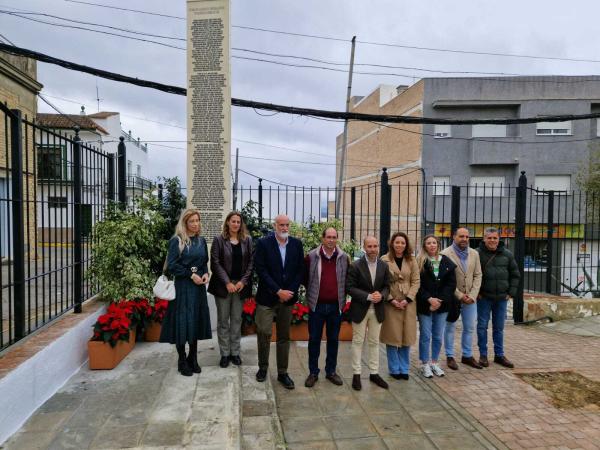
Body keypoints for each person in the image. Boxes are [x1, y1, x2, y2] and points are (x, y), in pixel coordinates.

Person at [253, 214, 304, 389]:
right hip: (267, 297)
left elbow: (299, 271)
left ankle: (283, 372)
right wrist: (277, 290)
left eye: (287, 225)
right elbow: (261, 269)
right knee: (264, 332)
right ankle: (263, 368)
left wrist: (289, 291)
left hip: (287, 299)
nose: (284, 228)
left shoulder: (296, 244)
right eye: (281, 225)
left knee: (284, 336)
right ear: (275, 225)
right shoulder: (263, 244)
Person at [159, 208, 211, 376]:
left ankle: (193, 358)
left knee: (195, 320)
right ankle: (182, 360)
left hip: (198, 288)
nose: (195, 224)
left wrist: (205, 274)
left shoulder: (201, 241)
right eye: (192, 221)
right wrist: (191, 275)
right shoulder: (177, 240)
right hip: (183, 287)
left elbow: (204, 262)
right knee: (182, 322)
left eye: (197, 220)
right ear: (185, 223)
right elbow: (172, 265)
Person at [303, 227, 350, 388]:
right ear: (323, 238)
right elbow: (305, 278)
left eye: (334, 237)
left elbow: (347, 280)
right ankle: (313, 372)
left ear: (337, 239)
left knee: (333, 340)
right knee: (314, 339)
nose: (331, 240)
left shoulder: (344, 258)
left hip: (335, 307)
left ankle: (331, 371)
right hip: (317, 306)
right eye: (328, 237)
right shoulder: (311, 256)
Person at [208, 211, 253, 368]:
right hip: (223, 286)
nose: (236, 224)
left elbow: (251, 264)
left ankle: (235, 353)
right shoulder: (219, 240)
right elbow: (215, 263)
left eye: (238, 222)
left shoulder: (247, 240)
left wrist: (243, 281)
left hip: (240, 287)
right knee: (223, 321)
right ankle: (225, 354)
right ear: (227, 222)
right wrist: (227, 282)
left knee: (236, 320)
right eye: (233, 221)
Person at [347, 236, 390, 391]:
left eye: (375, 246)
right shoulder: (355, 265)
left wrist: (382, 295)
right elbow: (349, 287)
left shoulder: (384, 266)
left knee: (374, 342)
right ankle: (356, 374)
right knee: (358, 341)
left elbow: (387, 286)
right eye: (370, 246)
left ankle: (374, 373)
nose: (373, 249)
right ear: (364, 247)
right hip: (360, 309)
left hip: (377, 310)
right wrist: (368, 296)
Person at [476, 227, 520, 369]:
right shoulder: (476, 254)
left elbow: (515, 274)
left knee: (499, 327)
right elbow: (471, 274)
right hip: (484, 297)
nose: (492, 240)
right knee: (482, 326)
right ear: (484, 239)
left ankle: (499, 355)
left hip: (501, 298)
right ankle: (483, 355)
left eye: (495, 238)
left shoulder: (507, 254)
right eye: (489, 238)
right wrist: (476, 292)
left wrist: (511, 292)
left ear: (498, 239)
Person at [441, 227, 483, 370]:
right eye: (461, 236)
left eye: (466, 236)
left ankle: (467, 355)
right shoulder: (445, 254)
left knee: (470, 328)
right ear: (454, 237)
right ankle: (450, 356)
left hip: (471, 299)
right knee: (450, 327)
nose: (464, 239)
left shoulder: (474, 254)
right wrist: (459, 295)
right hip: (453, 298)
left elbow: (478, 275)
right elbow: (444, 279)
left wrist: (472, 295)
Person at [380, 232, 420, 380]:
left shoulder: (412, 260)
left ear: (406, 244)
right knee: (392, 336)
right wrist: (391, 299)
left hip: (408, 303)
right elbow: (381, 282)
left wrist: (408, 299)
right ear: (392, 243)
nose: (400, 245)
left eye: (403, 243)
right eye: (397, 242)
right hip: (391, 303)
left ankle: (404, 368)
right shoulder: (384, 260)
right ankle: (394, 369)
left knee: (406, 336)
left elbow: (416, 281)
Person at [416, 234, 457, 378]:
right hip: (425, 306)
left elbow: (451, 284)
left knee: (438, 336)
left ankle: (434, 362)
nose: (432, 245)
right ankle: (425, 364)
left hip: (442, 306)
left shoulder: (447, 262)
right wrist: (429, 299)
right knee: (426, 335)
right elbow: (417, 284)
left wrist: (439, 301)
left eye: (434, 243)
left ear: (438, 245)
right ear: (424, 246)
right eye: (428, 243)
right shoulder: (419, 262)